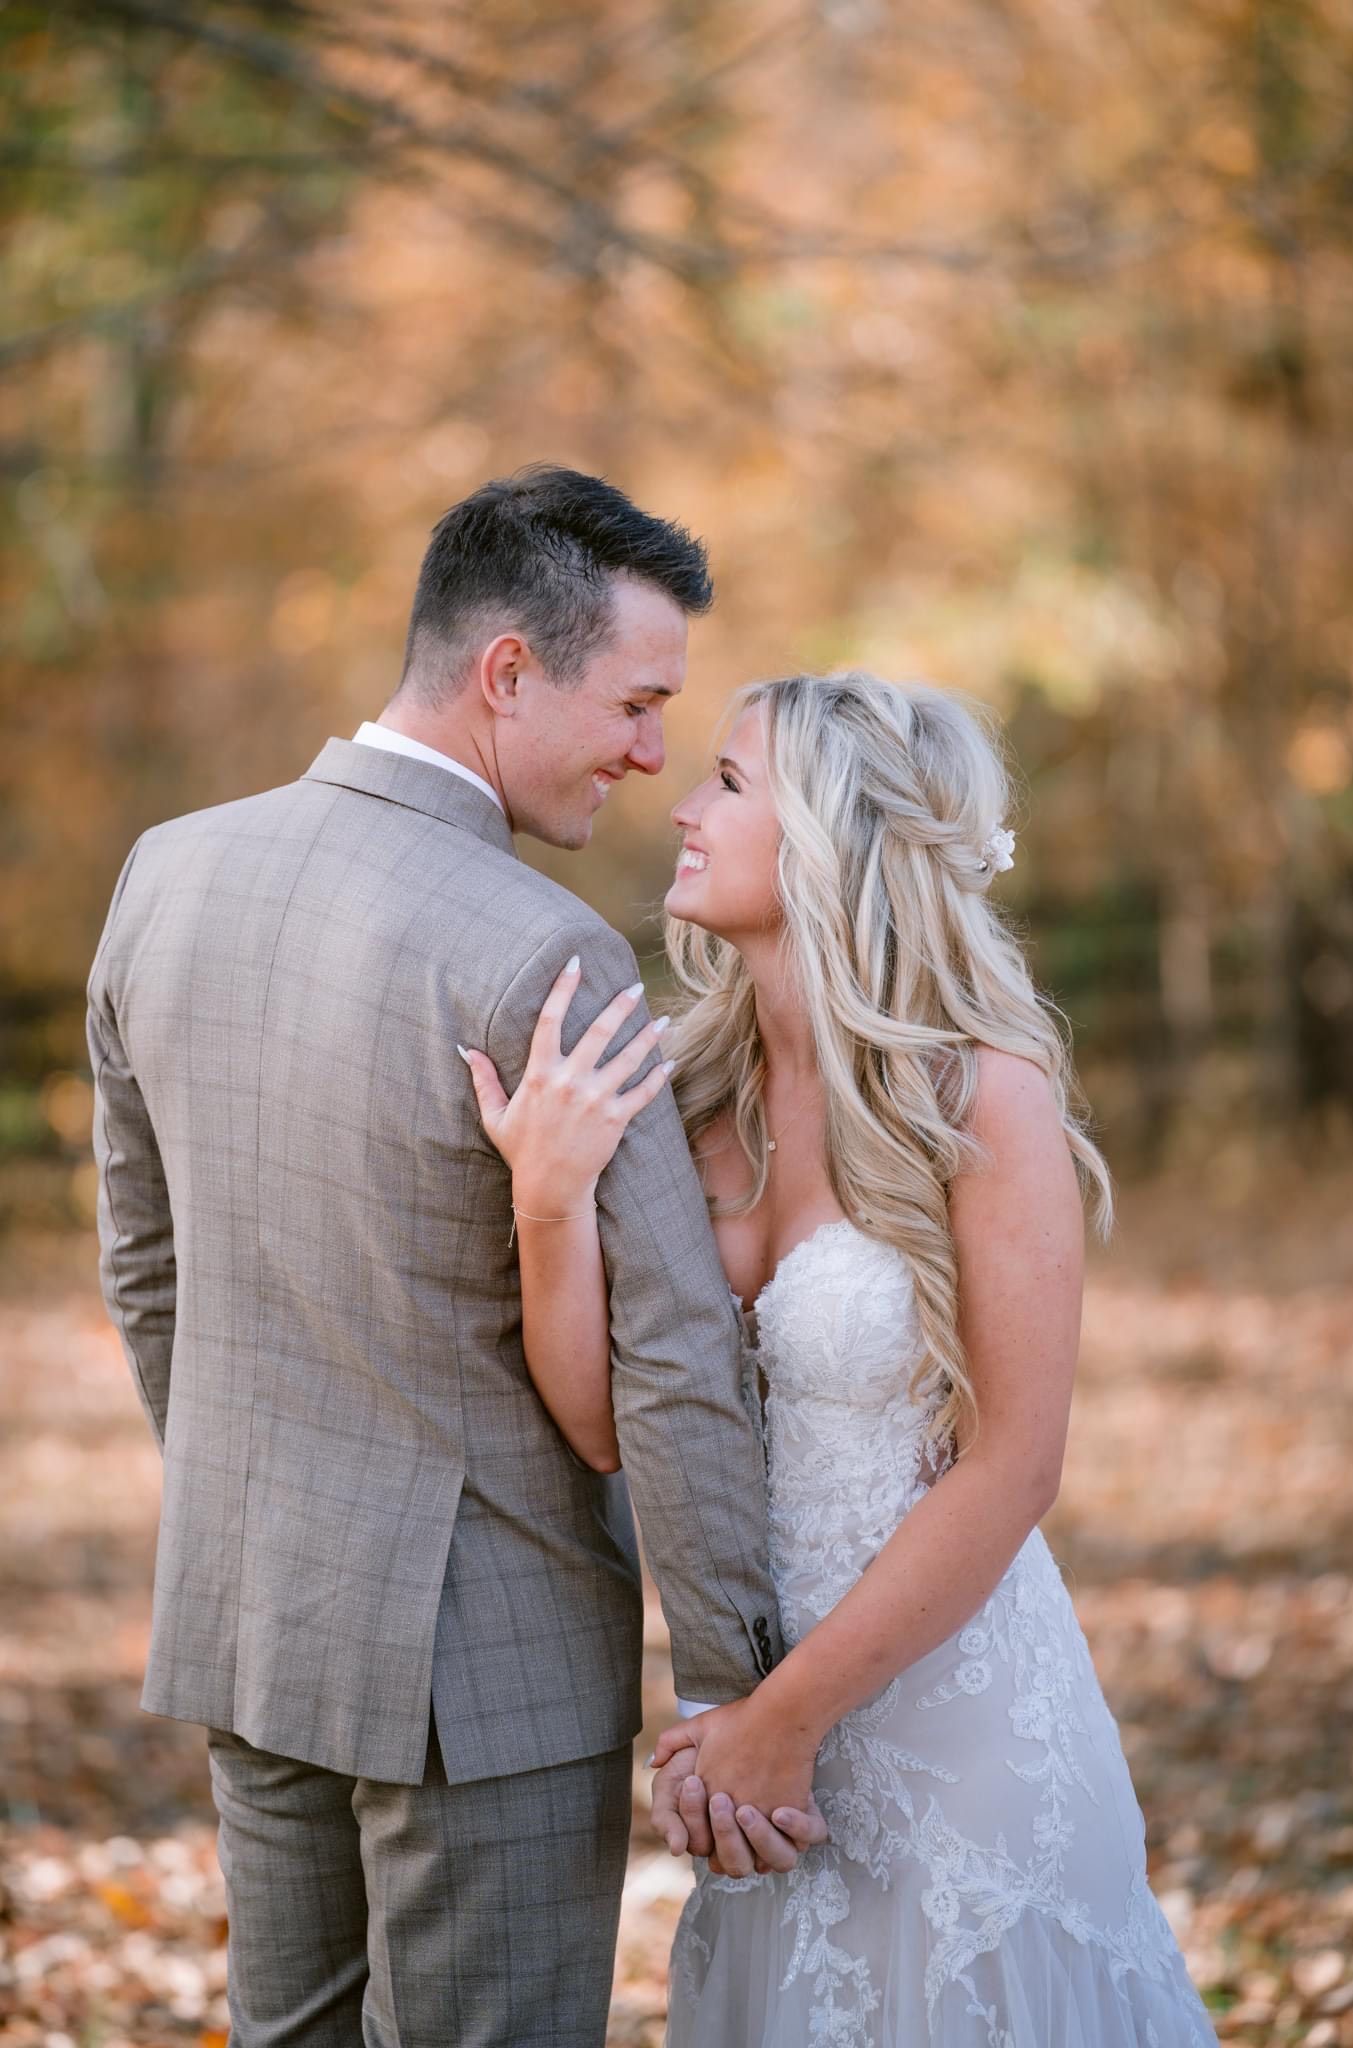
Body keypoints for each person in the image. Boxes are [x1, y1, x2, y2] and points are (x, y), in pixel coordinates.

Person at [86, 463, 823, 2048]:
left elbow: (146, 1272)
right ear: (506, 671)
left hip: (249, 1612)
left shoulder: (165, 871)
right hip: (489, 1662)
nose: (650, 752)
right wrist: (727, 1683)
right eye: (634, 703)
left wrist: (250, 1504)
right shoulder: (536, 948)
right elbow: (671, 1354)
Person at [461, 669, 1220, 2045]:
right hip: (744, 1708)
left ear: (833, 834)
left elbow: (1012, 1467)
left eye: (729, 784)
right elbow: (599, 1424)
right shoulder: (682, 1089)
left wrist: (785, 1720)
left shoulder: (980, 1091)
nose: (682, 807)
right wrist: (548, 1198)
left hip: (951, 1723)